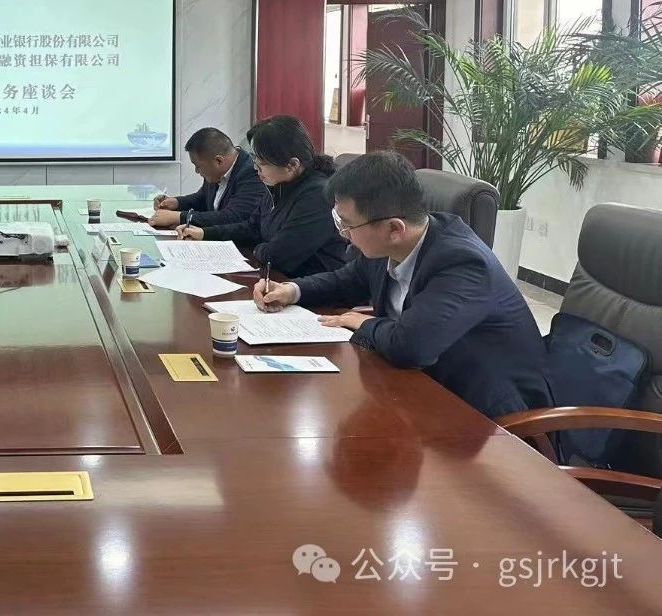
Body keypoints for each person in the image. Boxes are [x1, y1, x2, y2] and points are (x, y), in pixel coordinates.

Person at [254, 150, 551, 419]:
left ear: (395, 228)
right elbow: (345, 281)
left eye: (348, 224)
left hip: (485, 417)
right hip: (418, 389)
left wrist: (363, 322)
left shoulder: (462, 263)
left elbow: (411, 346)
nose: (343, 233)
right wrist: (291, 290)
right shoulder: (387, 245)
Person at [178, 115, 347, 278]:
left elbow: (277, 256)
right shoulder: (278, 185)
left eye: (262, 162)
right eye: (254, 160)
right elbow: (252, 228)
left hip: (308, 288)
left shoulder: (317, 195)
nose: (255, 168)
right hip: (276, 280)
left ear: (292, 164)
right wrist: (204, 233)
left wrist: (258, 248)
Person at [149, 127, 268, 229]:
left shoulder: (252, 173)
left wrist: (180, 217)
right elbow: (203, 198)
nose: (196, 171)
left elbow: (234, 217)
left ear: (219, 161)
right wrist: (177, 203)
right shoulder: (216, 172)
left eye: (198, 166)